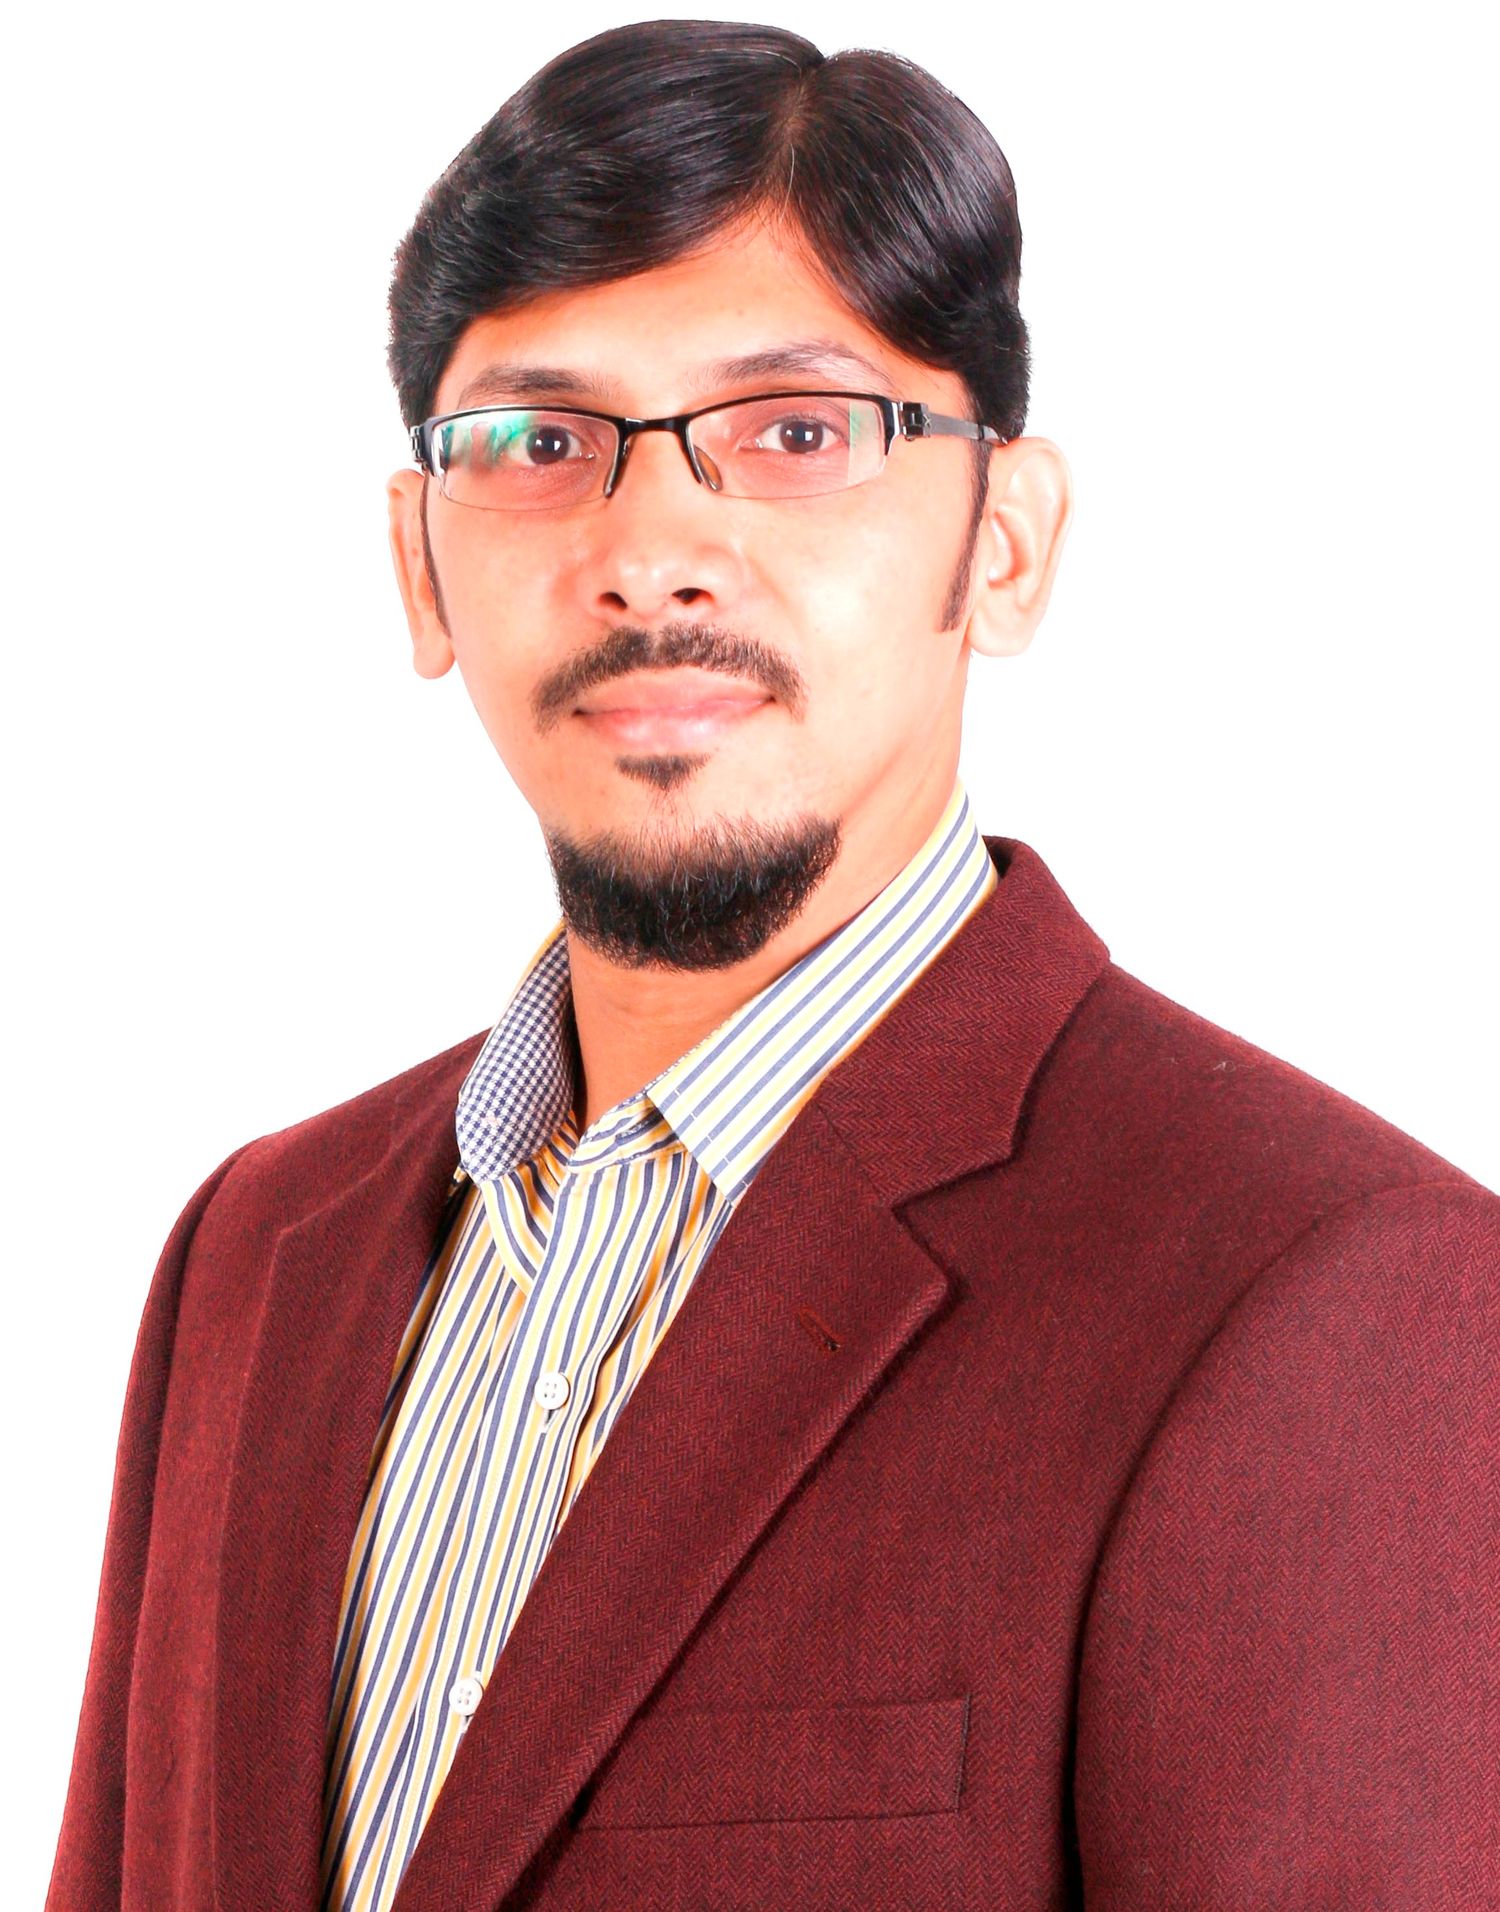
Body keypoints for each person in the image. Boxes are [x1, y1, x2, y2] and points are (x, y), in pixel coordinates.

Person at [47, 18, 1498, 1911]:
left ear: (1006, 543)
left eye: (798, 434)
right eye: (539, 443)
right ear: (418, 563)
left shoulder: (1328, 1293)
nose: (654, 548)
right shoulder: (257, 1253)